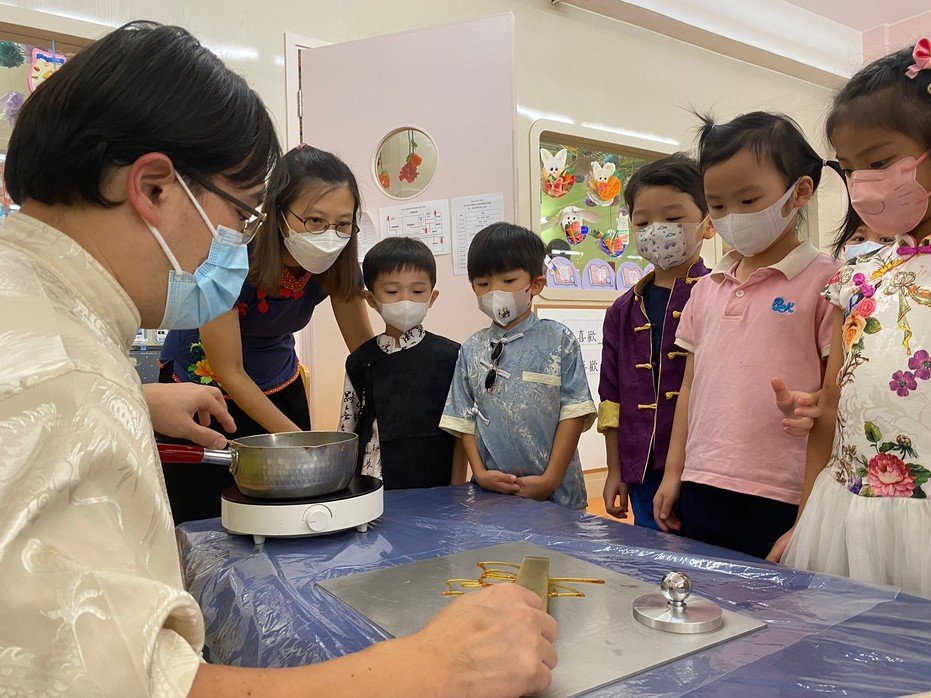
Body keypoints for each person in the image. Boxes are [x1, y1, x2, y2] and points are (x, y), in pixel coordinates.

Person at [0, 21, 556, 696]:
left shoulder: (39, 316)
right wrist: (434, 668)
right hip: (220, 386)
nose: (239, 241)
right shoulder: (63, 377)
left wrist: (135, 398)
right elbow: (121, 684)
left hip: (236, 386)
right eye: (244, 215)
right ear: (153, 189)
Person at [767, 40, 931, 599]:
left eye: (880, 163)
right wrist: (804, 516)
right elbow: (832, 403)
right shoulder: (857, 275)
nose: (862, 183)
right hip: (847, 509)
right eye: (850, 168)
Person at [652, 112, 842, 558]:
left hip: (783, 491)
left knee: (777, 601)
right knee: (704, 595)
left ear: (799, 192)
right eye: (717, 206)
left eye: (748, 200)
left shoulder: (830, 282)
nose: (731, 217)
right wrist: (674, 472)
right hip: (702, 481)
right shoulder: (705, 289)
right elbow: (689, 386)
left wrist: (808, 515)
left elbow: (832, 403)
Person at [159, 145, 375, 523]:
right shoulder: (230, 260)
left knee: (290, 509)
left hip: (278, 380)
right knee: (206, 516)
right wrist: (301, 443)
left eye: (343, 224)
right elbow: (229, 370)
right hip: (205, 389)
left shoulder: (337, 265)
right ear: (277, 212)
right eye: (314, 221)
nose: (330, 235)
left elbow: (365, 354)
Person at [440, 223, 596, 509]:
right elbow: (463, 418)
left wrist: (550, 479)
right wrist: (480, 473)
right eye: (483, 285)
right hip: (492, 495)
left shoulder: (559, 340)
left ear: (535, 284)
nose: (495, 292)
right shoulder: (471, 349)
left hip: (557, 494)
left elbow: (574, 412)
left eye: (508, 281)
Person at [599, 153, 713, 528]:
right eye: (643, 222)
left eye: (673, 218)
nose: (657, 230)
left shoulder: (720, 296)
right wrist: (615, 469)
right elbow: (611, 397)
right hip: (642, 469)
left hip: (705, 471)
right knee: (651, 554)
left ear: (709, 223)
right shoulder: (621, 311)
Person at [339, 237, 467, 488]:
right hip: (373, 484)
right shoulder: (359, 361)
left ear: (432, 297)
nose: (405, 300)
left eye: (417, 291)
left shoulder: (452, 355)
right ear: (371, 299)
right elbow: (347, 428)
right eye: (392, 292)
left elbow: (462, 431)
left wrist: (457, 489)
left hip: (434, 485)